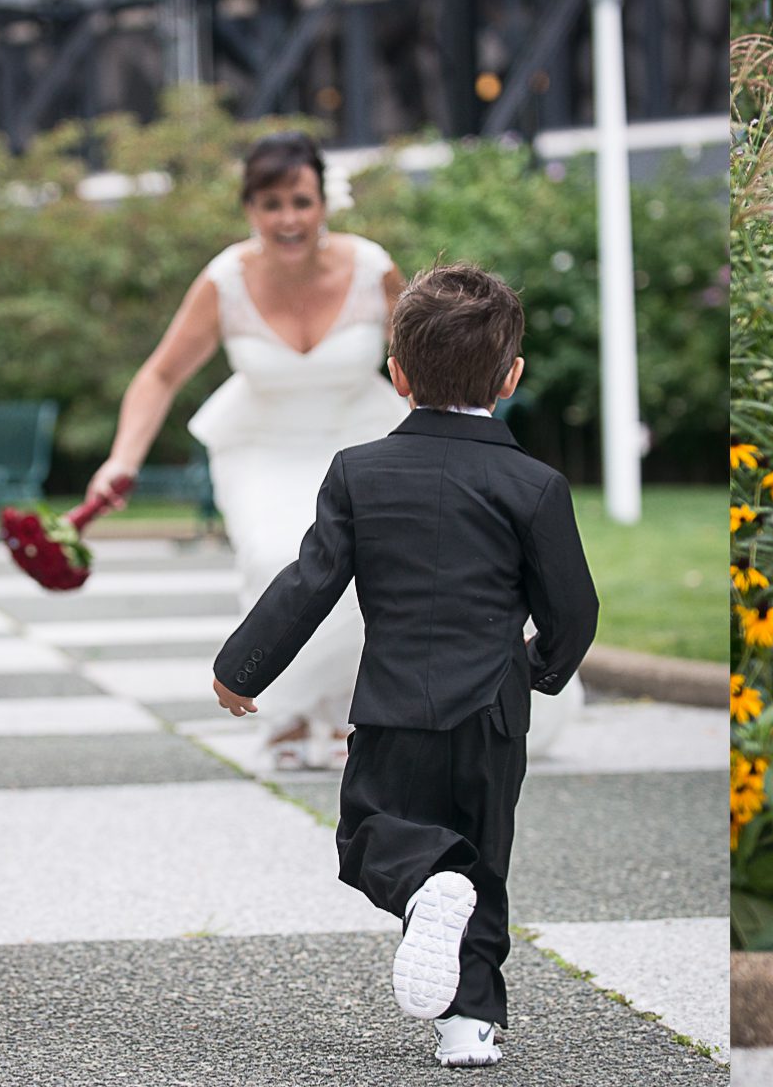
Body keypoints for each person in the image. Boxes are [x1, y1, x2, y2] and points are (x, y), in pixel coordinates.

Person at [209, 263, 599, 1068]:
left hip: (390, 710)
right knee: (481, 860)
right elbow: (573, 610)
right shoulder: (534, 485)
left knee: (368, 837)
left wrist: (241, 669)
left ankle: (422, 884)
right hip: (492, 712)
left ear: (397, 377)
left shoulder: (360, 472)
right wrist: (539, 669)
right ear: (512, 377)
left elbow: (309, 583)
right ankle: (470, 1025)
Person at [89, 131, 581, 769]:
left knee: (378, 563)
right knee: (277, 555)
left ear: (323, 202)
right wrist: (121, 460)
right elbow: (159, 376)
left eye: (301, 201)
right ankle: (288, 715)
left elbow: (427, 356)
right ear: (250, 209)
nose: (288, 219)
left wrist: (454, 449)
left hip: (362, 433)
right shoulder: (224, 281)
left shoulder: (371, 267)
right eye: (271, 204)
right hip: (261, 446)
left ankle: (363, 715)